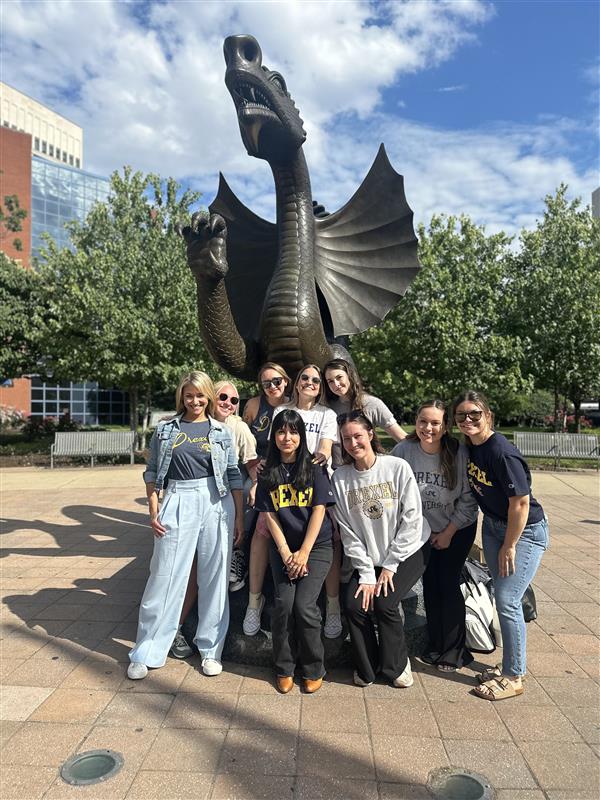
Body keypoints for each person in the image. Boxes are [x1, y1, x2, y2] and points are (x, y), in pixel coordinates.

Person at [128, 371, 244, 680]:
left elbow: (233, 474)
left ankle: (210, 649)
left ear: (208, 396)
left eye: (201, 395)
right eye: (189, 395)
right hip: (178, 497)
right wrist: (153, 510)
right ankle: (147, 648)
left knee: (214, 576)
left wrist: (240, 518)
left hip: (216, 500)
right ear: (182, 395)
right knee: (164, 576)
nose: (195, 400)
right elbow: (152, 472)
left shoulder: (220, 431)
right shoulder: (166, 429)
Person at [452, 390, 549, 700]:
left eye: (474, 414)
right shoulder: (472, 446)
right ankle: (510, 663)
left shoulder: (501, 451)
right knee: (502, 596)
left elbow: (520, 503)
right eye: (461, 416)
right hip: (494, 526)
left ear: (488, 415)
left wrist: (510, 545)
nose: (468, 420)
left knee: (507, 600)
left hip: (523, 531)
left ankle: (514, 675)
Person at [332, 412, 430, 687]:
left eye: (358, 436)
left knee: (386, 602)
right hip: (369, 557)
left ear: (371, 435)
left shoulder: (396, 468)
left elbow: (412, 518)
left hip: (409, 550)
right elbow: (348, 532)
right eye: (347, 439)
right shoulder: (341, 478)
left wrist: (389, 565)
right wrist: (366, 573)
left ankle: (397, 665)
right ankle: (366, 667)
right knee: (354, 604)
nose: (353, 443)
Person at [392, 400, 479, 671]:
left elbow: (468, 500)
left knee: (448, 584)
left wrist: (449, 532)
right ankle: (436, 643)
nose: (427, 428)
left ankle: (454, 651)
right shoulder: (404, 450)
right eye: (422, 421)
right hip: (422, 532)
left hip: (457, 527)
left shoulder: (458, 452)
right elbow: (387, 479)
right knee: (430, 584)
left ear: (445, 427)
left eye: (434, 423)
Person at [255, 409, 334, 694]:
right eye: (281, 432)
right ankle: (284, 667)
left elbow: (319, 510)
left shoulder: (314, 467)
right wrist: (287, 552)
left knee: (305, 606)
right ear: (273, 435)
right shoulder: (268, 472)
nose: (287, 438)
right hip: (284, 549)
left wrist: (303, 553)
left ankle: (314, 668)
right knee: (283, 606)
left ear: (301, 436)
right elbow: (270, 516)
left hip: (316, 546)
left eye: (293, 432)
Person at [272, 364, 342, 638]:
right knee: (264, 527)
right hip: (282, 482)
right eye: (305, 378)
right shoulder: (282, 411)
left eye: (315, 379)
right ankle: (255, 597)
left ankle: (333, 605)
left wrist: (310, 466)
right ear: (297, 382)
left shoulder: (327, 414)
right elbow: (275, 447)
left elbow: (324, 448)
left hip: (315, 479)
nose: (310, 382)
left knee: (331, 538)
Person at [241, 362, 291, 636]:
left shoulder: (293, 406)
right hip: (258, 467)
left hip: (283, 470)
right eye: (266, 383)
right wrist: (254, 473)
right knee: (250, 500)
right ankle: (240, 556)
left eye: (276, 381)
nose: (272, 387)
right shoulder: (253, 405)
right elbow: (244, 442)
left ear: (286, 381)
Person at [323, 358, 407, 467]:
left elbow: (402, 438)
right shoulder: (328, 408)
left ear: (349, 376)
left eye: (339, 377)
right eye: (330, 381)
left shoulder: (371, 403)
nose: (336, 384)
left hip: (370, 470)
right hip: (340, 472)